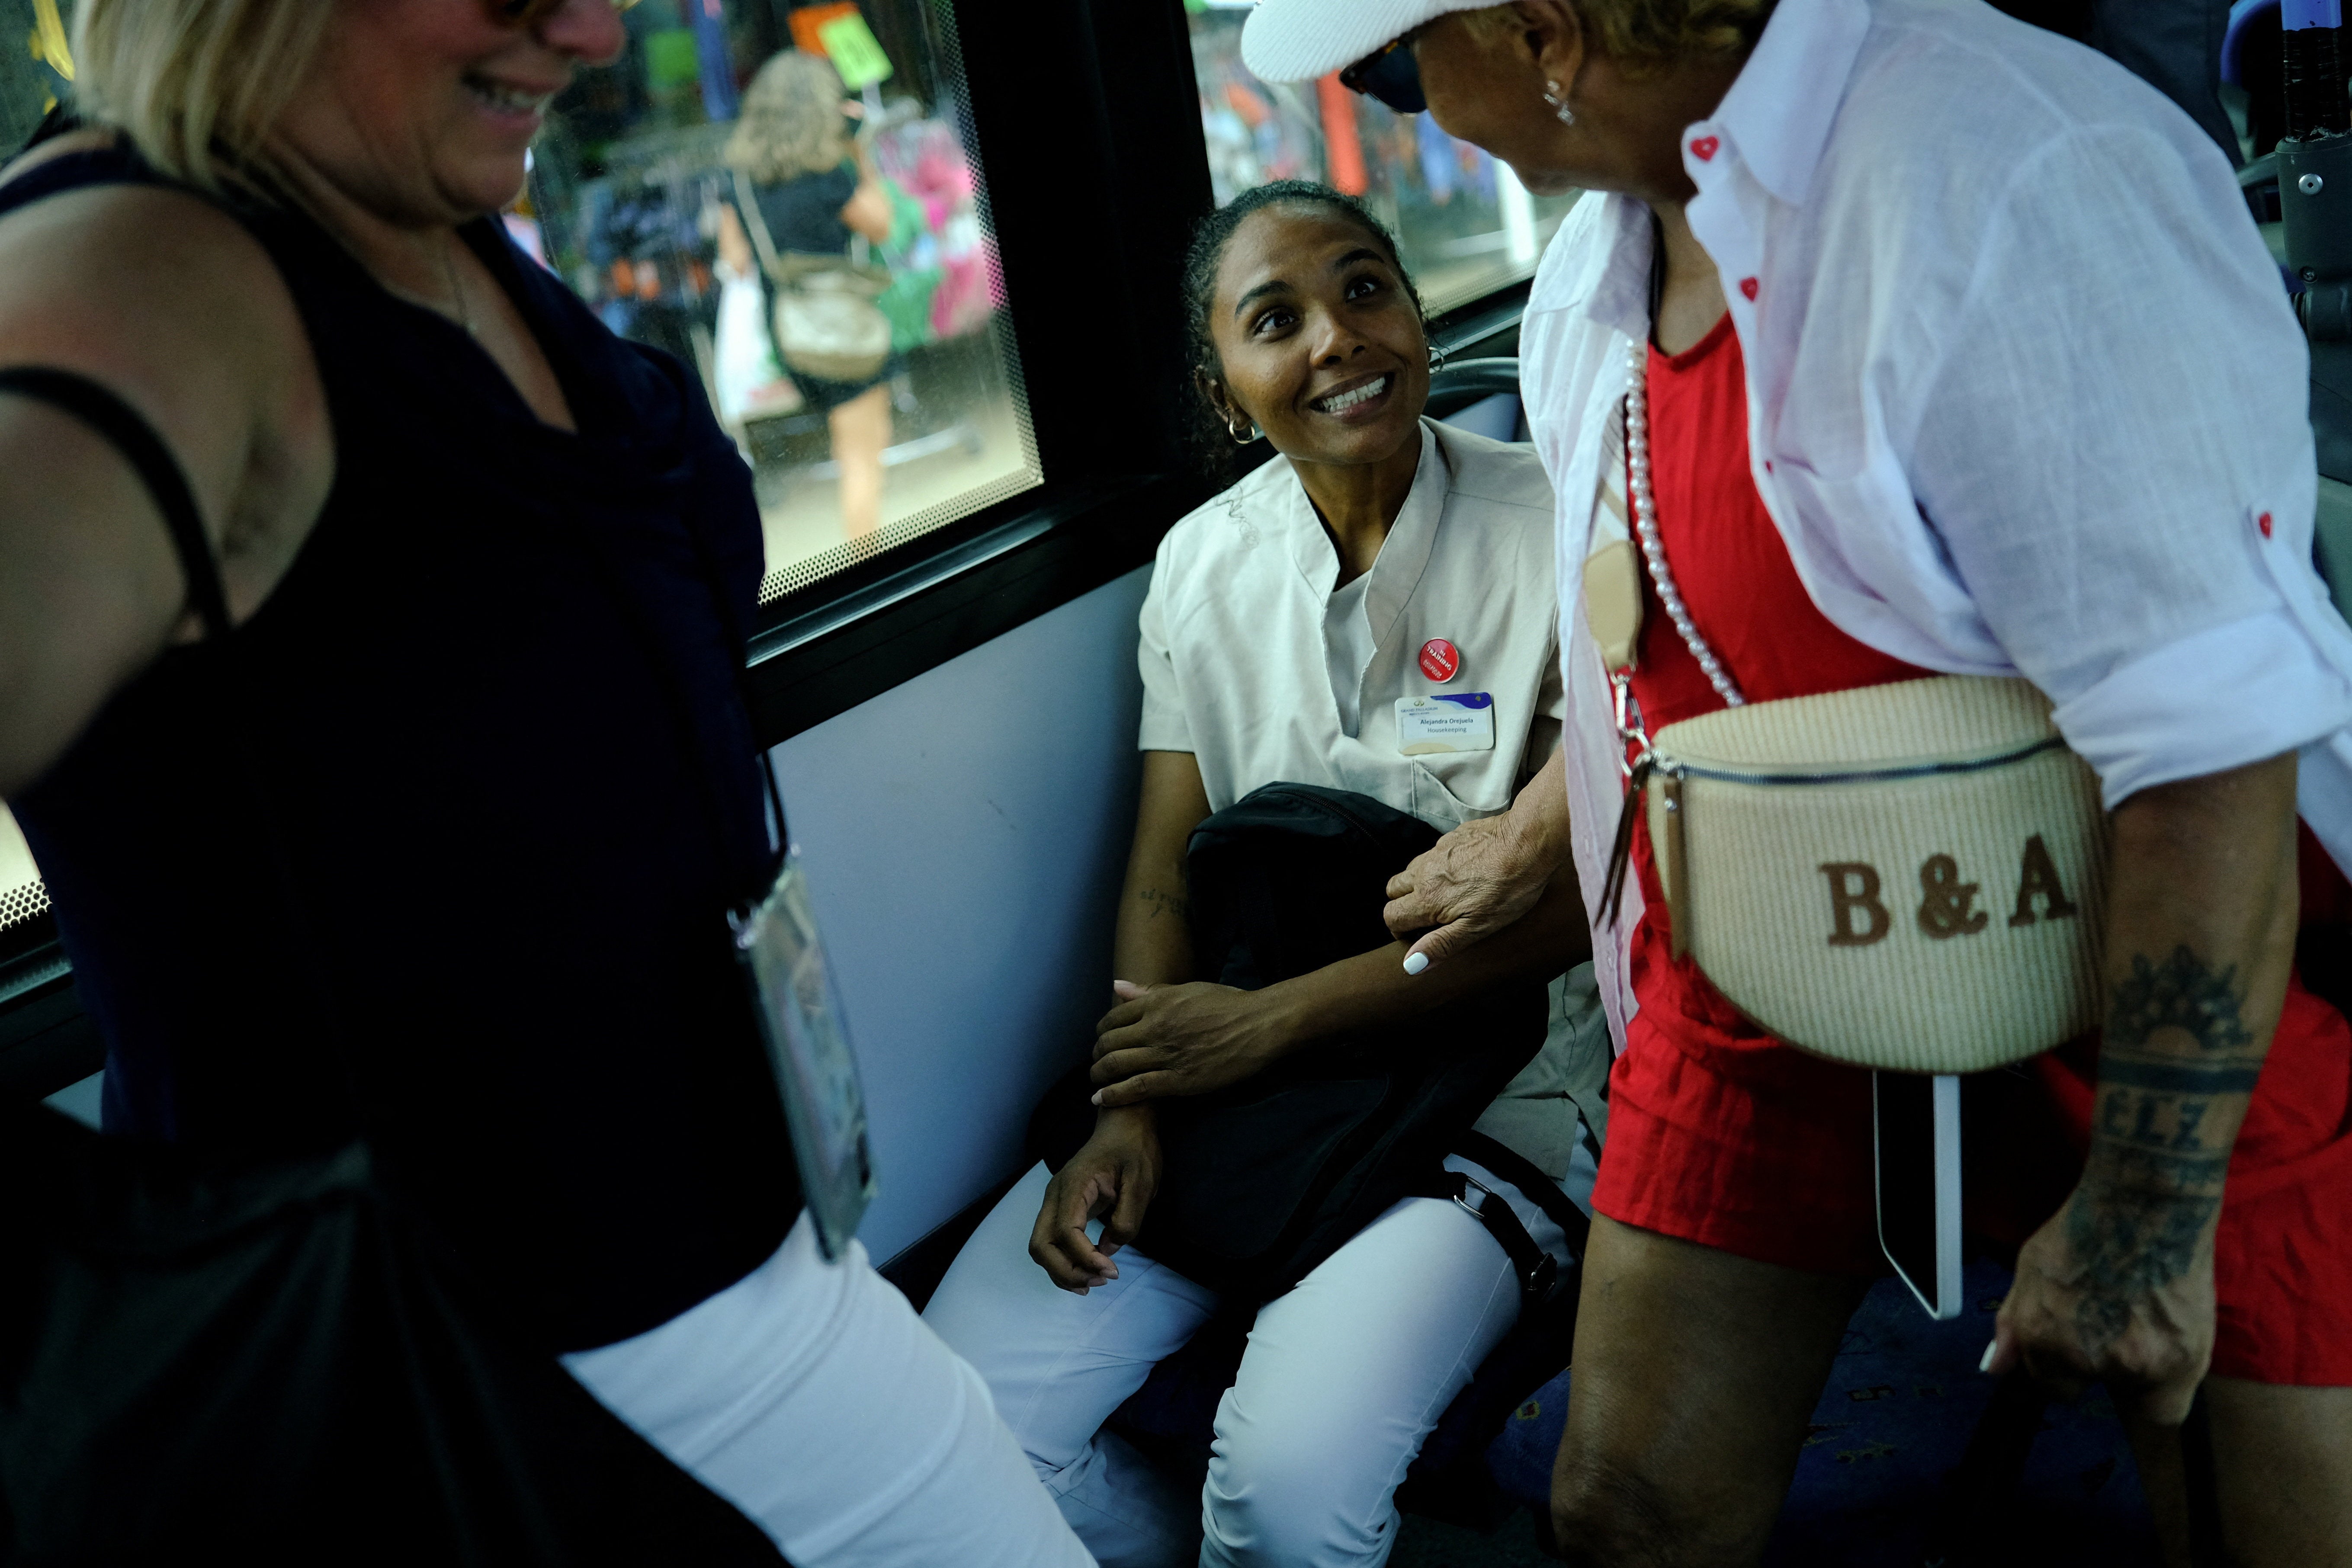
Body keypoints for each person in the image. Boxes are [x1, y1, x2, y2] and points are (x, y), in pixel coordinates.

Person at [1240, 1, 2352, 1565]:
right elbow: (1654, 652)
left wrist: (2148, 1207)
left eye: (1394, 64)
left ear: (1543, 26)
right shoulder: (1590, 290)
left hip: (2155, 960)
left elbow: (2205, 740)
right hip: (1761, 952)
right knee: (1624, 1507)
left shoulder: (2011, 175)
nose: (1409, 109)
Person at [0, 4, 1088, 1565]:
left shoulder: (415, 210)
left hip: (746, 1279)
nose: (585, 28)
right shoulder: (140, 278)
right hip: (499, 1398)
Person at [921, 180, 1610, 1568]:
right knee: (953, 1431)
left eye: (1367, 290)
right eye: (1276, 318)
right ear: (1223, 386)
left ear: (1417, 314)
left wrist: (1256, 1031)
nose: (1338, 339)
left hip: (1500, 1068)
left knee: (1290, 1487)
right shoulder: (1200, 565)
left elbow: (1548, 909)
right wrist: (1130, 1103)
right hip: (1253, 1053)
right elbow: (1166, 875)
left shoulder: (1560, 530)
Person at [716, 49, 896, 543]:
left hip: (789, 329)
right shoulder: (826, 174)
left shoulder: (738, 179)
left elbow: (733, 260)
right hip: (842, 329)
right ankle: (870, 573)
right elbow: (881, 225)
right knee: (862, 460)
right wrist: (860, 154)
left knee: (851, 450)